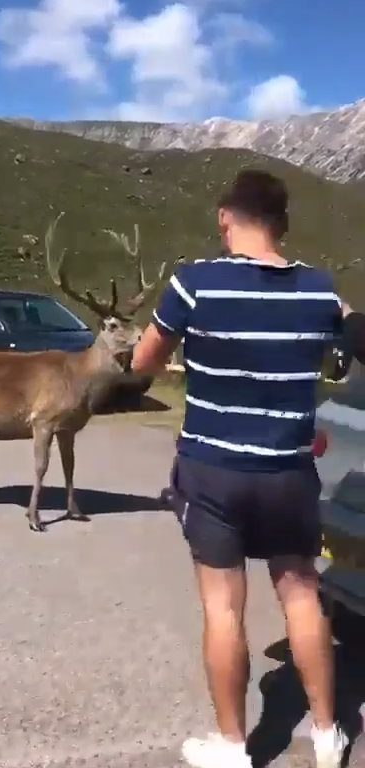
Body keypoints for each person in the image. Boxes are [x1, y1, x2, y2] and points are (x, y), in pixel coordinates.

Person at [131, 169, 365, 768]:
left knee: (223, 608)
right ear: (283, 227)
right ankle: (327, 734)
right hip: (288, 473)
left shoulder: (192, 285)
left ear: (224, 218)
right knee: (302, 598)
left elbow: (142, 366)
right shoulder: (319, 290)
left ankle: (234, 747)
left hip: (213, 471)